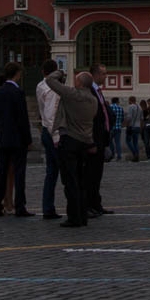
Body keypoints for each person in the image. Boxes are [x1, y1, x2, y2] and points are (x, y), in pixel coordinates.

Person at [44, 69, 97, 227]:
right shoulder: (93, 100)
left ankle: (74, 217)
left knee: (70, 181)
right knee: (81, 181)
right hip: (84, 142)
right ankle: (82, 215)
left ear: (80, 83)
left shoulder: (73, 95)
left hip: (70, 141)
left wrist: (59, 72)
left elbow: (50, 81)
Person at [0, 61, 33, 217]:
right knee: (19, 173)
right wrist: (28, 139)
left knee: (0, 172)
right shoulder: (18, 93)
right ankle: (20, 206)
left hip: (2, 137)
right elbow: (23, 119)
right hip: (17, 139)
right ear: (17, 74)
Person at [35, 58, 62, 219]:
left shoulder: (40, 85)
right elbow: (52, 115)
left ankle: (48, 207)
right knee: (63, 170)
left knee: (51, 172)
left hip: (45, 130)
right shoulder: (52, 89)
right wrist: (56, 138)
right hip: (53, 132)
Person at [86, 63, 112, 217]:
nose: (106, 76)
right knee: (91, 174)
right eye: (103, 73)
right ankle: (90, 205)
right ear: (95, 75)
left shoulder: (98, 91)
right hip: (94, 139)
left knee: (97, 174)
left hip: (101, 138)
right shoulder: (90, 91)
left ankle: (96, 204)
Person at [123, 96, 142, 162]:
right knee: (135, 143)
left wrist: (126, 124)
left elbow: (129, 117)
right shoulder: (139, 107)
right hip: (138, 126)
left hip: (131, 126)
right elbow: (141, 118)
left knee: (128, 141)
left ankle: (135, 154)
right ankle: (137, 155)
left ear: (130, 100)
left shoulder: (130, 107)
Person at [108, 97, 124, 162]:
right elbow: (122, 119)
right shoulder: (120, 108)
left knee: (109, 141)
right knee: (118, 142)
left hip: (111, 127)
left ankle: (112, 154)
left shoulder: (110, 107)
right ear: (117, 101)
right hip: (118, 127)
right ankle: (119, 156)